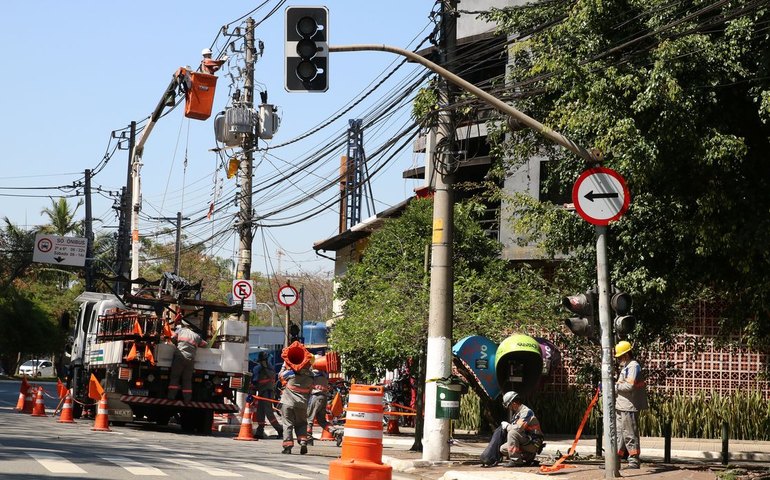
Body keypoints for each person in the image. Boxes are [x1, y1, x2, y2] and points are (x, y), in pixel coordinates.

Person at [614, 340, 649, 469]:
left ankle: (634, 461)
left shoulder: (633, 366)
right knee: (619, 434)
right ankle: (615, 461)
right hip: (621, 405)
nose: (618, 360)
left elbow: (629, 386)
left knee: (629, 433)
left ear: (626, 355)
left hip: (629, 406)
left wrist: (614, 387)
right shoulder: (627, 366)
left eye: (619, 357)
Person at [499, 390, 544, 467]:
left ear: (514, 403)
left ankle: (516, 461)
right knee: (503, 448)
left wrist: (507, 426)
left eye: (509, 406)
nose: (509, 408)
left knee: (512, 433)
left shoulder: (526, 412)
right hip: (526, 440)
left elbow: (517, 429)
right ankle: (528, 456)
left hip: (533, 442)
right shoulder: (517, 414)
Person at [167, 317, 207, 402]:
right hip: (190, 360)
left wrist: (176, 343)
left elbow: (172, 338)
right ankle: (187, 399)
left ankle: (171, 397)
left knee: (175, 377)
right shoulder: (196, 336)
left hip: (179, 357)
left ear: (184, 325)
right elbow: (205, 344)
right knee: (187, 380)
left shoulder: (180, 331)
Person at [278, 359, 313, 454]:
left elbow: (280, 376)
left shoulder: (290, 373)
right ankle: (303, 442)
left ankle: (288, 447)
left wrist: (284, 365)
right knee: (301, 424)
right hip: (302, 405)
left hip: (287, 403)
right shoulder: (311, 376)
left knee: (287, 424)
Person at [250, 351, 283, 439]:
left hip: (265, 393)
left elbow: (255, 381)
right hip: (267, 392)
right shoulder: (271, 368)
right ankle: (259, 432)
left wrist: (251, 391)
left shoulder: (258, 368)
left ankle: (279, 429)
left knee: (268, 413)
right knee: (260, 412)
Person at [306, 356, 330, 444]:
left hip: (315, 396)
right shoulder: (325, 374)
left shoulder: (314, 373)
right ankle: (336, 432)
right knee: (322, 421)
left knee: (309, 418)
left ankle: (308, 438)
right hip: (323, 397)